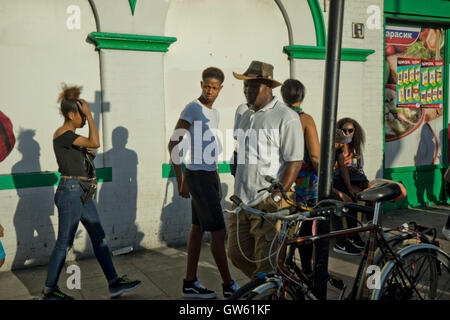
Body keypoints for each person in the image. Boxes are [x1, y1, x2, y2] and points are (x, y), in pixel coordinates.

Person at [42, 84, 141, 300]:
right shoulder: (63, 134)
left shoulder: (72, 138)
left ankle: (114, 282)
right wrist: (91, 115)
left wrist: (87, 152)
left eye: (86, 116)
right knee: (64, 243)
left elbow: (89, 152)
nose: (85, 119)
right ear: (71, 114)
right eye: (82, 115)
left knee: (99, 238)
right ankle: (49, 290)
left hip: (82, 192)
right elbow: (95, 141)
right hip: (70, 192)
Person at [227, 61, 303, 279]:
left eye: (253, 86)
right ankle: (271, 287)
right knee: (236, 254)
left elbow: (294, 161)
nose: (247, 91)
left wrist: (278, 195)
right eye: (245, 86)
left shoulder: (286, 117)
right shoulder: (246, 115)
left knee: (266, 264)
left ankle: (268, 291)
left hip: (269, 202)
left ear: (268, 87)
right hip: (242, 201)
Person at [168, 67, 239, 299]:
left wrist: (216, 178)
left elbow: (209, 148)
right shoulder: (193, 108)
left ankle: (189, 283)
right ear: (201, 84)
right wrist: (181, 180)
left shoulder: (214, 113)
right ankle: (228, 285)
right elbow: (173, 144)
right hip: (196, 176)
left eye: (215, 88)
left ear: (221, 89)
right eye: (207, 86)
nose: (210, 91)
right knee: (219, 232)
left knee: (197, 230)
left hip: (208, 176)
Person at [280, 79, 319, 276]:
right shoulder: (306, 120)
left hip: (282, 180)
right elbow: (314, 156)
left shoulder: (278, 117)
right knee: (305, 230)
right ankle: (306, 272)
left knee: (282, 230)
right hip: (305, 184)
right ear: (302, 96)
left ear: (282, 96)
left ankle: (280, 269)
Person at [332, 129, 364, 255]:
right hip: (321, 184)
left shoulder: (337, 150)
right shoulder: (324, 152)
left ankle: (353, 234)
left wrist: (349, 189)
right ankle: (340, 243)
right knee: (337, 203)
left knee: (352, 198)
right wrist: (340, 194)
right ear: (335, 143)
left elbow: (343, 167)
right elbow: (322, 180)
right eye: (341, 143)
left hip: (334, 179)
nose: (343, 145)